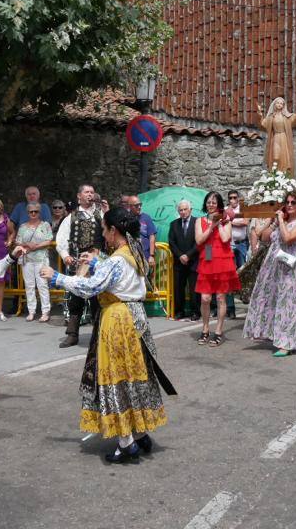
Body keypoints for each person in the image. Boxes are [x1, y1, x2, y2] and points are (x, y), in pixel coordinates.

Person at [41, 207, 175, 462]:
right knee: (135, 375)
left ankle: (126, 442)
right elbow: (116, 275)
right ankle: (139, 432)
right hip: (135, 318)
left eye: (104, 229)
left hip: (117, 320)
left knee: (114, 377)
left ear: (114, 231)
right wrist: (96, 262)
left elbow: (91, 286)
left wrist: (57, 277)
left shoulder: (116, 260)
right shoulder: (133, 252)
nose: (103, 235)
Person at [242, 188, 296, 357]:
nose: (289, 205)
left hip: (290, 266)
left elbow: (288, 239)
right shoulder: (282, 221)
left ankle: (287, 343)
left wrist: (281, 220)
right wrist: (272, 221)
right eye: (287, 202)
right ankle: (274, 335)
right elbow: (264, 237)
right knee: (271, 298)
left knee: (289, 301)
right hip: (273, 264)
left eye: (293, 202)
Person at [54, 184, 103, 347]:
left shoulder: (101, 214)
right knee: (76, 297)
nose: (90, 195)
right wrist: (65, 255)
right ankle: (72, 334)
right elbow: (61, 239)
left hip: (97, 261)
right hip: (79, 262)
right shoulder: (71, 217)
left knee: (98, 298)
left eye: (91, 192)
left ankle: (99, 334)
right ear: (79, 196)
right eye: (86, 192)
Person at [194, 191, 240, 346]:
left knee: (221, 297)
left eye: (214, 202)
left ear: (219, 205)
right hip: (207, 257)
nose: (211, 205)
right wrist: (211, 225)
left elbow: (226, 238)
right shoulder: (200, 220)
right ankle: (205, 329)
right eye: (208, 202)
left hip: (223, 259)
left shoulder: (226, 220)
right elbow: (199, 240)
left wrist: (219, 222)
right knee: (205, 298)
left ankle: (219, 331)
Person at [12, 203, 54, 322]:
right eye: (31, 212)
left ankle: (45, 311)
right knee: (29, 286)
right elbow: (18, 242)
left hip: (41, 259)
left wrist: (36, 246)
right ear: (28, 213)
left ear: (39, 212)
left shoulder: (45, 225)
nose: (34, 213)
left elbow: (49, 240)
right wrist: (27, 245)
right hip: (27, 259)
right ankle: (31, 311)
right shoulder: (22, 227)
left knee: (42, 285)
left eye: (36, 211)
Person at [257, 96, 296, 176]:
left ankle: (284, 176)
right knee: (275, 157)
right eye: (278, 103)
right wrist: (260, 114)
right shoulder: (271, 117)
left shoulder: (287, 117)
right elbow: (262, 125)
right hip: (276, 137)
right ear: (274, 104)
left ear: (283, 106)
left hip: (284, 138)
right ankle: (274, 175)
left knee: (284, 157)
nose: (279, 105)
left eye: (281, 103)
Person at [168, 199, 199, 320]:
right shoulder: (174, 224)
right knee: (178, 288)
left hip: (193, 261)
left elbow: (199, 242)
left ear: (190, 210)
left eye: (185, 209)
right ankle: (179, 311)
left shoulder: (197, 222)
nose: (183, 212)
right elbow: (171, 243)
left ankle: (195, 312)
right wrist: (180, 255)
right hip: (179, 262)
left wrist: (188, 255)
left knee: (194, 289)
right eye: (180, 210)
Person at [227, 190, 249, 268]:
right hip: (229, 244)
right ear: (228, 199)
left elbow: (245, 222)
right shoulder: (226, 210)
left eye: (235, 197)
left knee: (242, 267)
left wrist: (231, 223)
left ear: (238, 198)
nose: (233, 199)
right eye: (230, 198)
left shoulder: (243, 209)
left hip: (241, 243)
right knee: (230, 268)